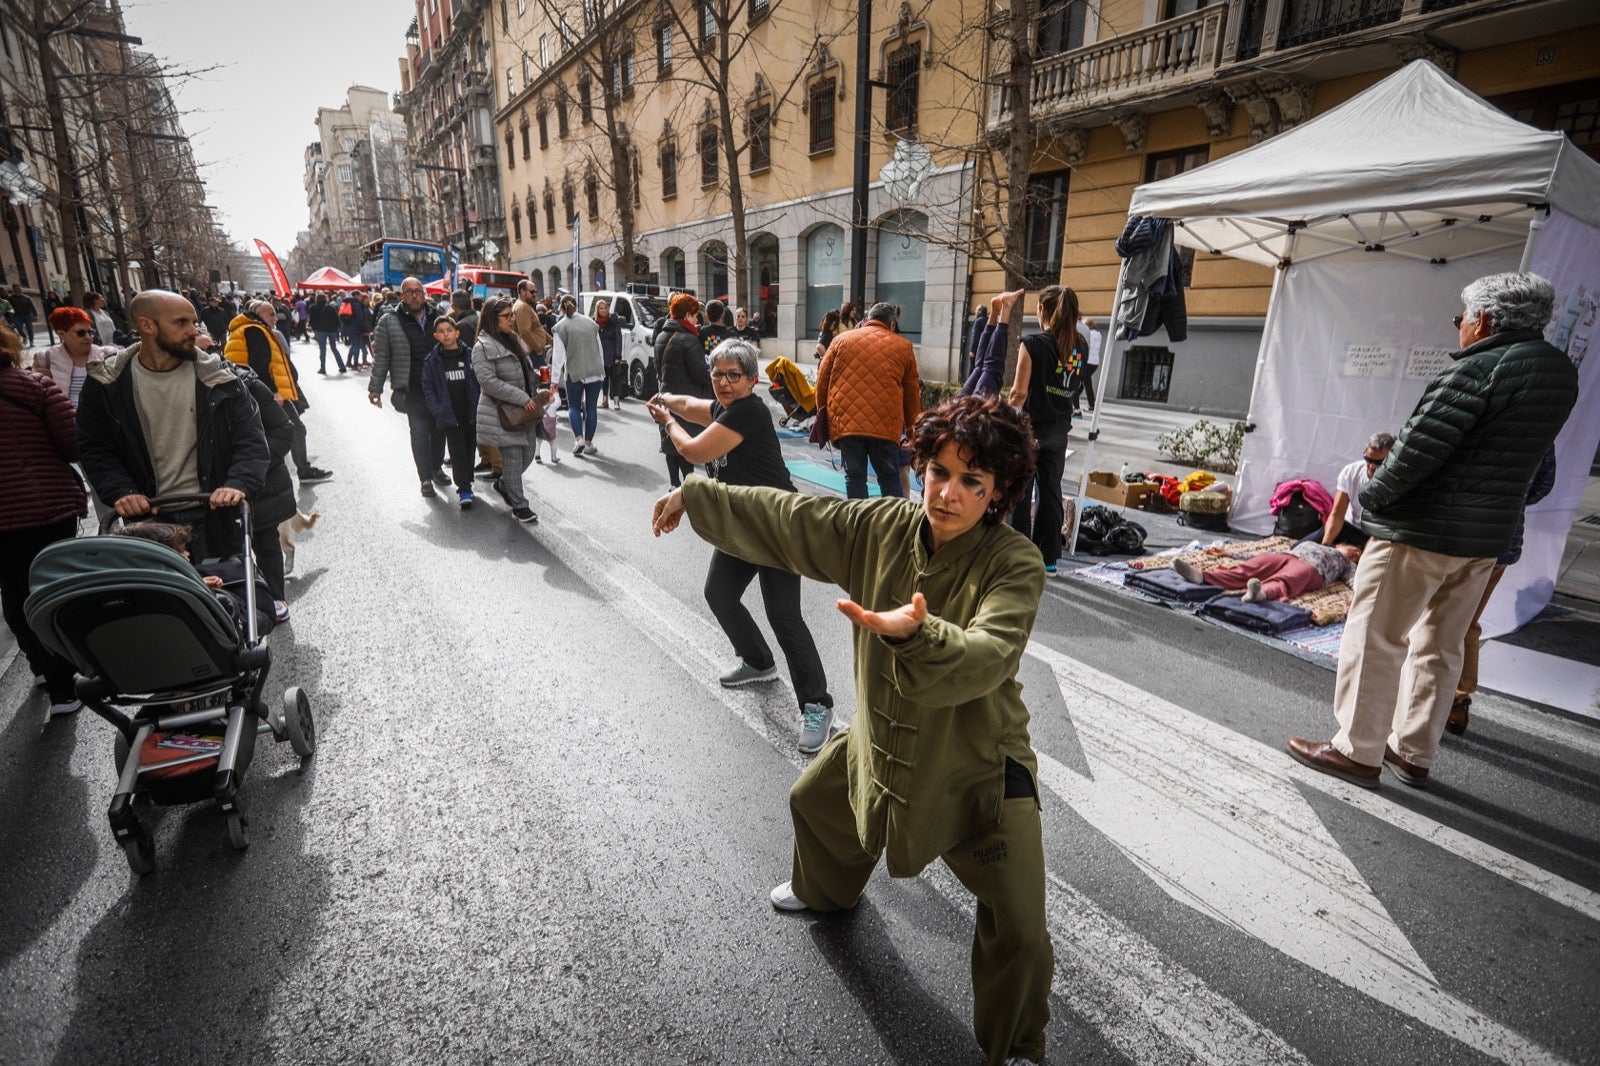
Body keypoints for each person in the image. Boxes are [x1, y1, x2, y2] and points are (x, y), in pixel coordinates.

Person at [650, 394, 1053, 1066]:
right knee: (815, 801)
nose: (948, 494)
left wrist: (920, 633)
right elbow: (797, 516)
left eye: (971, 482)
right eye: (939, 473)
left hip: (978, 759)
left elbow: (989, 654)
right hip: (881, 736)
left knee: (1021, 926)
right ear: (920, 466)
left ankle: (1014, 1046)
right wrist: (699, 496)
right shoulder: (882, 525)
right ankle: (824, 889)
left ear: (1000, 492)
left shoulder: (1014, 563)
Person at [1288, 272, 1580, 790]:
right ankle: (1413, 751)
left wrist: (1370, 498)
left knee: (1376, 635)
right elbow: (1537, 473)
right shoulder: (1557, 374)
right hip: (1486, 540)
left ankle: (1356, 750)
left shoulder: (1476, 370)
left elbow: (1412, 455)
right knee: (1441, 643)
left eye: (1461, 316)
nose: (1460, 327)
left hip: (1420, 531)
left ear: (1484, 320)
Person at [647, 338, 835, 752]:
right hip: (740, 522)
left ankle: (818, 705)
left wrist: (667, 422)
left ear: (753, 380)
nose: (724, 382)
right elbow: (688, 404)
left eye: (734, 375)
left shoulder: (748, 412)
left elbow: (692, 449)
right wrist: (666, 399)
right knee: (719, 593)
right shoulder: (724, 408)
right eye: (717, 374)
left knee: (784, 616)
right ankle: (758, 661)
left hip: (775, 525)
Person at [76, 289, 268, 563]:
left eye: (194, 322)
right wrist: (121, 491)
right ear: (147, 325)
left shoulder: (219, 377)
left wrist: (238, 483)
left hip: (212, 515)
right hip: (147, 523)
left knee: (225, 597)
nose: (193, 330)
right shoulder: (107, 383)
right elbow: (94, 446)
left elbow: (250, 439)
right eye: (181, 323)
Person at [0, 321, 87, 716]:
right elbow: (72, 444)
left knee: (13, 589)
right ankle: (64, 686)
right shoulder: (35, 388)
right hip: (46, 506)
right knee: (50, 588)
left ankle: (38, 665)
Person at [1448, 446, 1557, 736]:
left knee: (1432, 621)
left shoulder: (1485, 409)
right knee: (1466, 623)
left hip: (1461, 535)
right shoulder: (1543, 421)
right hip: (1503, 539)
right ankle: (1457, 701)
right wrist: (1514, 502)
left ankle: (1429, 701)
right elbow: (1544, 483)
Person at [1007, 285, 1083, 574]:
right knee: (1051, 492)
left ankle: (1018, 556)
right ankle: (1049, 558)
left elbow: (1017, 393)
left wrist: (1007, 422)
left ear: (1043, 310)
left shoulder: (1033, 343)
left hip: (1030, 430)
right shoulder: (1080, 347)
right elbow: (1071, 387)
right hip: (1059, 431)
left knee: (1021, 491)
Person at [814, 301, 921, 499]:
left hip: (847, 423)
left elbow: (822, 382)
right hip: (885, 425)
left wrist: (823, 414)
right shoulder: (904, 347)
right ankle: (894, 525)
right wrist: (913, 432)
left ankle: (858, 526)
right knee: (889, 478)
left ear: (868, 319)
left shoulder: (840, 341)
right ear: (891, 324)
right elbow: (912, 395)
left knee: (854, 477)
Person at [219, 362, 296, 622]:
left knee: (265, 539)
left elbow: (284, 430)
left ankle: (276, 597)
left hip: (260, 484)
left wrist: (255, 466)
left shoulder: (247, 383)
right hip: (213, 491)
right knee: (227, 549)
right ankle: (234, 604)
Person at [224, 300, 333, 485]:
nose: (276, 318)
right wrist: (273, 392)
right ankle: (297, 471)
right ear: (258, 314)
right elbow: (259, 365)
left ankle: (282, 472)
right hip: (268, 394)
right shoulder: (255, 330)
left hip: (257, 392)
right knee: (294, 429)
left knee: (282, 431)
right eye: (271, 314)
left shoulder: (248, 329)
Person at [370, 276, 450, 497]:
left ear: (424, 294)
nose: (415, 296)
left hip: (438, 387)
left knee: (439, 431)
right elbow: (382, 356)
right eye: (410, 292)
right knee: (420, 433)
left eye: (418, 291)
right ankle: (425, 478)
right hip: (412, 388)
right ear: (402, 295)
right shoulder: (389, 321)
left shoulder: (438, 315)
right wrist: (375, 386)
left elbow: (451, 346)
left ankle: (436, 468)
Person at [473, 295, 544, 523]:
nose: (512, 319)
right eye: (507, 316)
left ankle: (504, 484)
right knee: (513, 460)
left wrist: (534, 383)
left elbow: (522, 368)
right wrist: (521, 397)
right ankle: (520, 505)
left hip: (525, 411)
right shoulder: (482, 346)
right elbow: (488, 382)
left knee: (528, 454)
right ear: (493, 319)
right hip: (503, 413)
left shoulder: (513, 339)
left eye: (512, 314)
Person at [421, 316, 482, 509]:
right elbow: (428, 387)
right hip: (449, 415)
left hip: (470, 412)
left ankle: (468, 480)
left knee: (470, 448)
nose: (446, 334)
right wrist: (437, 410)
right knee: (457, 452)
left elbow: (481, 379)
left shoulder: (471, 354)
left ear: (457, 333)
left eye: (449, 330)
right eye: (441, 331)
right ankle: (463, 488)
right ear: (436, 336)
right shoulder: (432, 361)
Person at [1174, 541, 1361, 602]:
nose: (1356, 553)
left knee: (1287, 581)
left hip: (1313, 568)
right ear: (1340, 544)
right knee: (1249, 568)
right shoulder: (1312, 543)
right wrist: (1231, 553)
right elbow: (1256, 556)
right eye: (1355, 550)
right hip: (1286, 555)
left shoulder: (1345, 563)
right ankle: (1202, 576)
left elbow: (1356, 581)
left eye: (1358, 555)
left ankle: (1259, 593)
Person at [654, 292, 712, 487]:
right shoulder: (689, 339)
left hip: (666, 395)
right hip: (686, 399)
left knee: (670, 440)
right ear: (687, 315)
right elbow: (700, 374)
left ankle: (673, 483)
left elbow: (658, 368)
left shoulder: (662, 334)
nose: (697, 320)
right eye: (695, 315)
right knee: (685, 442)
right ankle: (687, 485)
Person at [1318, 432, 1394, 548]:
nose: (1372, 466)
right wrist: (1325, 547)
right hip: (1349, 527)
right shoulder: (1351, 471)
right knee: (1301, 548)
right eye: (1368, 459)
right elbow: (1337, 514)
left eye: (1379, 463)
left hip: (1377, 536)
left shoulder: (1396, 482)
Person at [34, 307, 120, 407]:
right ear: (61, 333)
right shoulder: (45, 358)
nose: (88, 337)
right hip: (67, 420)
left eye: (90, 332)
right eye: (81, 333)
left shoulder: (108, 354)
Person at [552, 295, 605, 456]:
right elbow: (599, 349)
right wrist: (601, 368)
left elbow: (558, 356)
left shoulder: (560, 327)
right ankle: (588, 443)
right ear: (577, 306)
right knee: (591, 408)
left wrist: (554, 380)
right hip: (595, 370)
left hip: (574, 371)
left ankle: (579, 439)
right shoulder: (591, 323)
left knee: (574, 407)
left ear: (561, 307)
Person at [595, 297, 624, 410]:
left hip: (612, 354)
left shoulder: (613, 321)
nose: (603, 310)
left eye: (605, 308)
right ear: (597, 310)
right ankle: (604, 400)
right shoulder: (595, 322)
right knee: (604, 379)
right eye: (601, 308)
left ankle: (616, 401)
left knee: (615, 378)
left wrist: (618, 355)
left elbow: (618, 338)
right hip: (601, 355)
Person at [513, 280, 552, 362]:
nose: (534, 295)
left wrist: (552, 342)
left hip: (534, 352)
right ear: (522, 292)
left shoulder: (525, 306)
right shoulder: (522, 307)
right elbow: (524, 332)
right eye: (532, 292)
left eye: (535, 292)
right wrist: (538, 349)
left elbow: (538, 328)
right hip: (533, 354)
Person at [310, 294, 344, 373]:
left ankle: (323, 368)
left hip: (321, 330)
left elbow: (312, 320)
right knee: (334, 348)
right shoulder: (330, 307)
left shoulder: (313, 308)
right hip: (331, 330)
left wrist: (315, 329)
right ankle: (342, 366)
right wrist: (336, 328)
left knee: (322, 349)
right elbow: (337, 319)